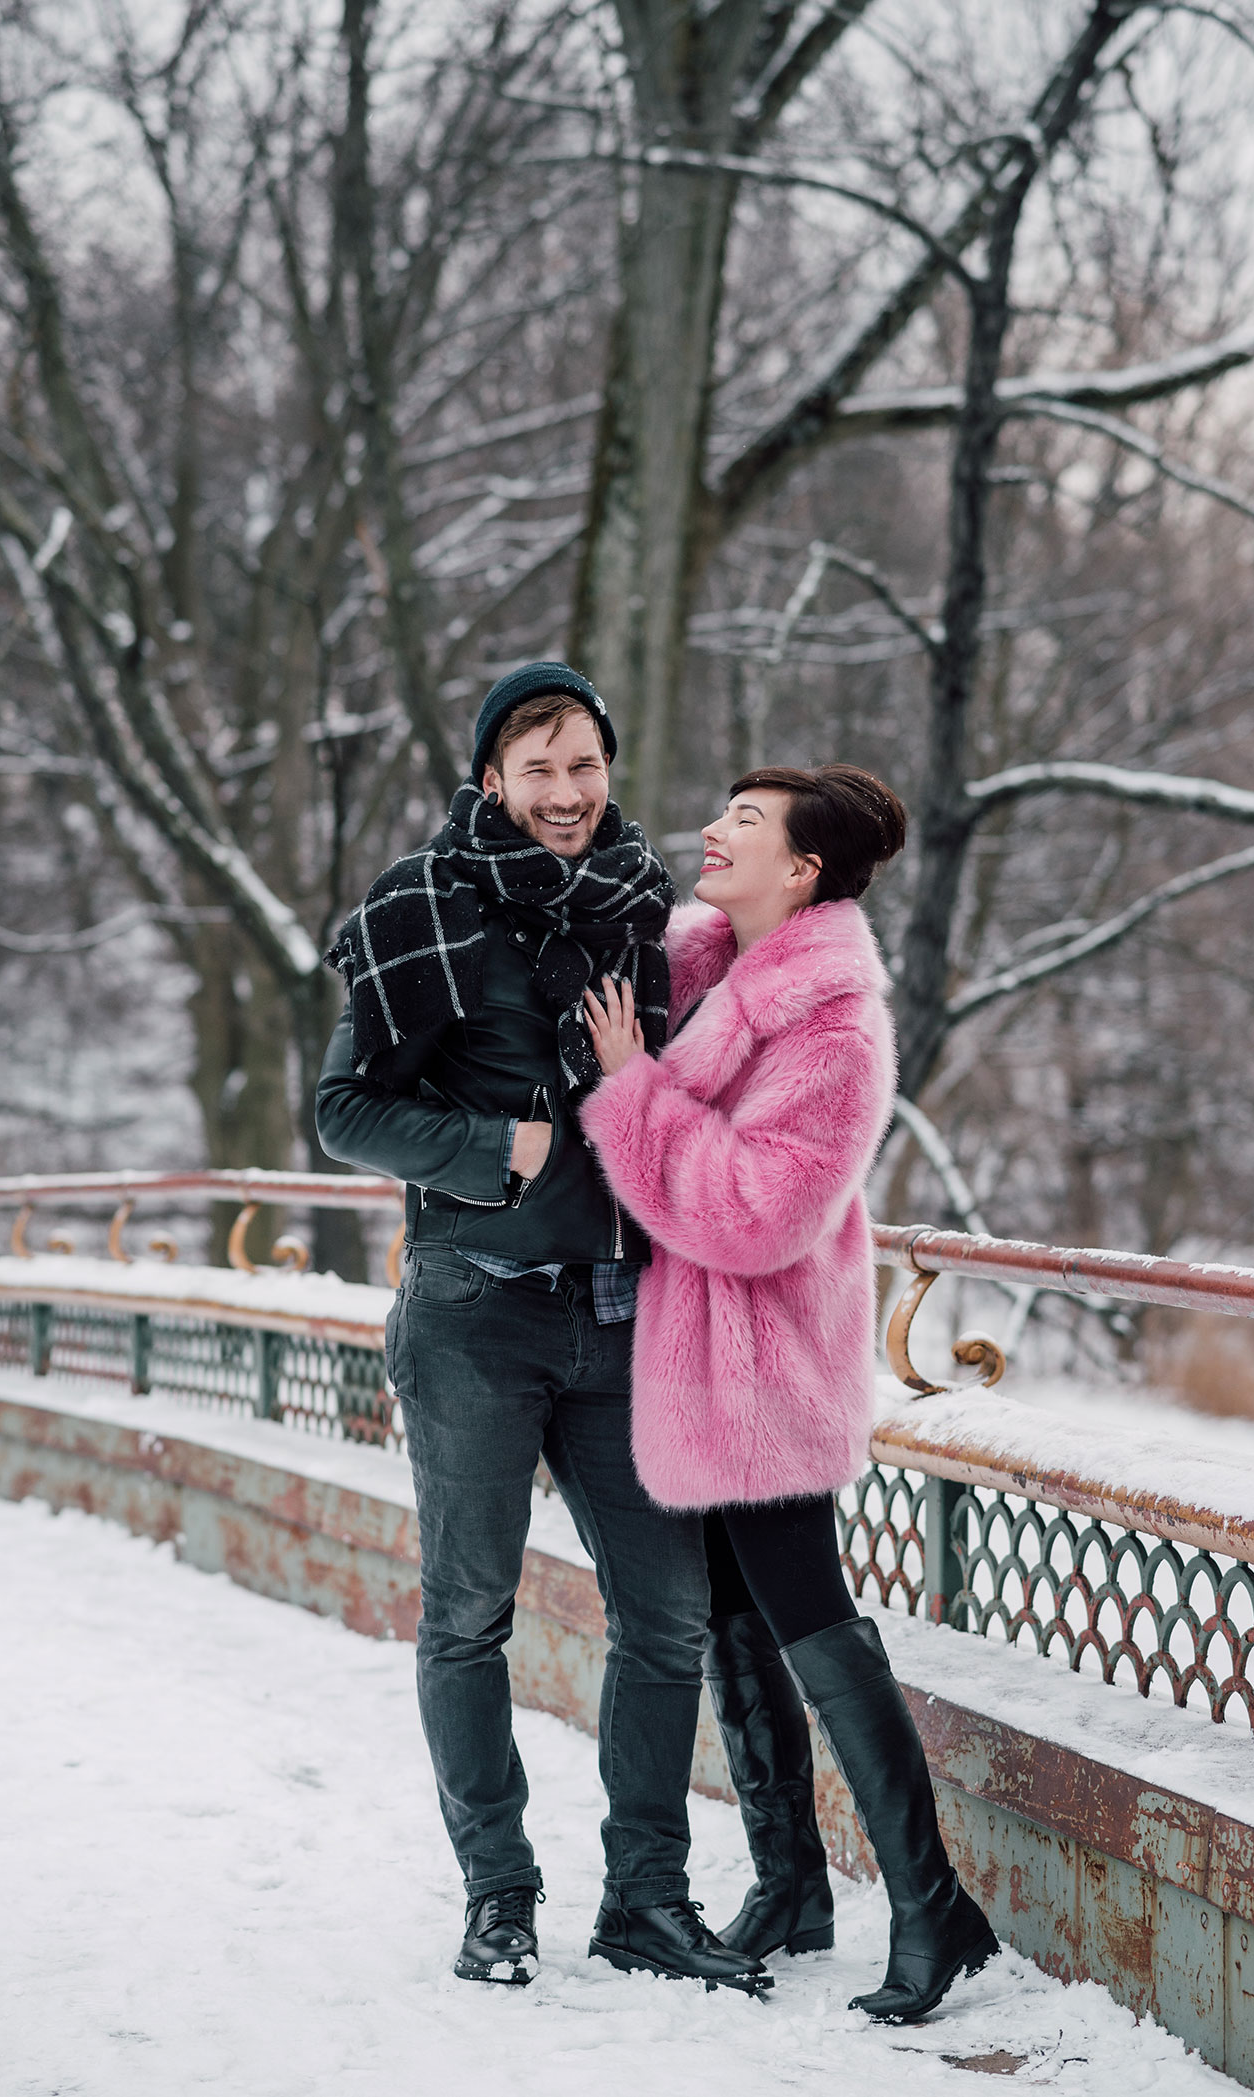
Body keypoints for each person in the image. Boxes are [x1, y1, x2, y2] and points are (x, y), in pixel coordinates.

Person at [315, 663, 770, 1998]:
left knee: (669, 1615)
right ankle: (499, 1899)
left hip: (621, 1320)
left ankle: (645, 1900)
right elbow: (343, 1111)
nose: (565, 795)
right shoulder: (417, 912)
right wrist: (484, 1148)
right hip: (474, 1317)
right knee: (467, 1616)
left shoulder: (651, 918)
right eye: (538, 770)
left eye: (584, 766)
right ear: (490, 783)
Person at [579, 762, 1000, 2024]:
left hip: (764, 1361)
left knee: (808, 1613)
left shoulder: (831, 1024)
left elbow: (758, 1213)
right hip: (696, 1357)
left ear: (802, 870)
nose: (709, 832)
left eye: (743, 824)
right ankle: (794, 1885)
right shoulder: (702, 974)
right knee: (732, 1617)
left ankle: (931, 1906)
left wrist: (631, 1090)